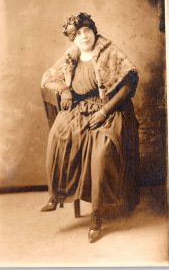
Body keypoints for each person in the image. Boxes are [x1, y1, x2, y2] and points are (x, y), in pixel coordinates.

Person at [41, 12, 140, 243]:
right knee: (60, 134)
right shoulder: (71, 55)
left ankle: (97, 215)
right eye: (78, 34)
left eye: (87, 31)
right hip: (80, 109)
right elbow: (48, 78)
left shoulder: (110, 52)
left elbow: (127, 85)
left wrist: (104, 111)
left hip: (111, 109)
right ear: (72, 39)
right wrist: (64, 90)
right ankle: (58, 194)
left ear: (94, 31)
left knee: (101, 152)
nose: (84, 36)